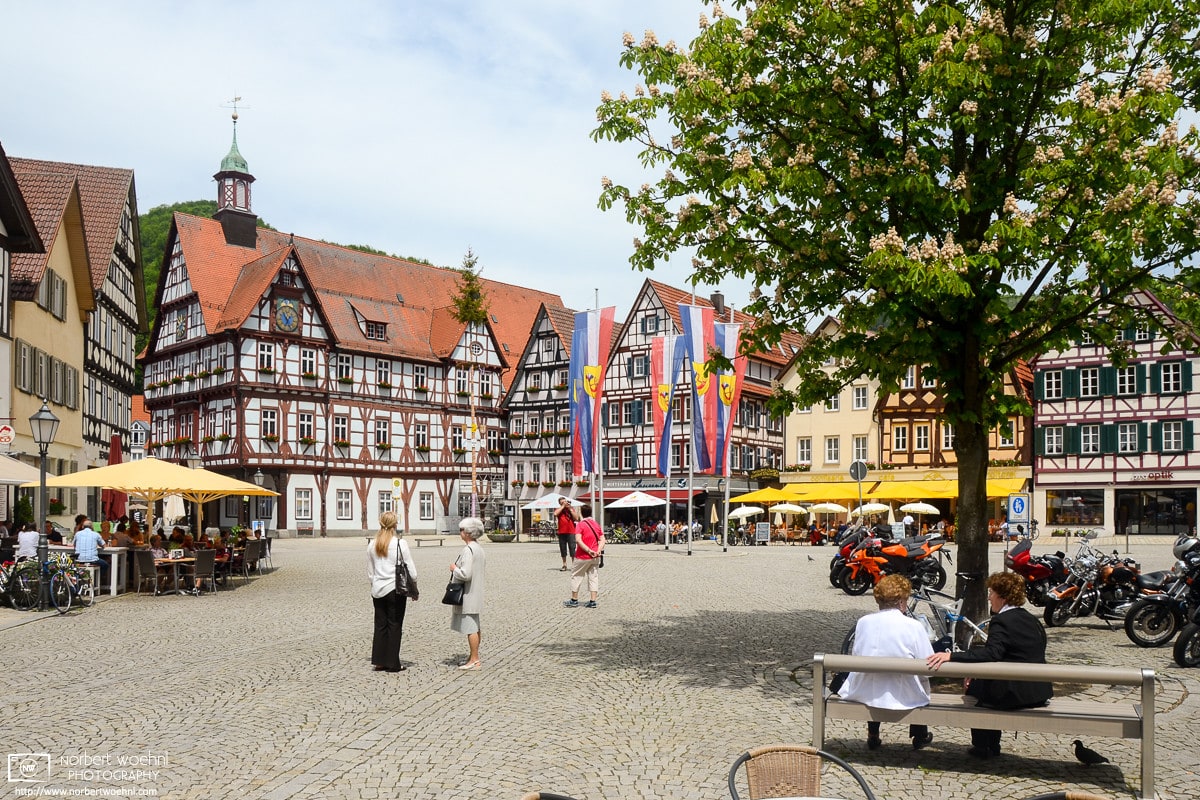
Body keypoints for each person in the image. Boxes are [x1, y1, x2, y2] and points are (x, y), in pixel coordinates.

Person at [927, 571, 1053, 759]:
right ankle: (992, 744)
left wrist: (952, 656)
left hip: (1015, 693)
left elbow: (992, 653)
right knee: (981, 684)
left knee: (973, 690)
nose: (988, 597)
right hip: (1038, 690)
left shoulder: (1002, 621)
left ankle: (983, 745)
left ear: (1002, 597)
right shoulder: (1031, 619)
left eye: (991, 593)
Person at [838, 574, 934, 750]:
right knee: (918, 681)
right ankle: (920, 735)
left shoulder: (863, 622)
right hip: (904, 694)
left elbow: (858, 654)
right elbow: (927, 665)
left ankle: (873, 733)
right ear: (902, 601)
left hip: (865, 691)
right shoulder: (913, 626)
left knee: (874, 677)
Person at [366, 511, 417, 672]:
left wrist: (375, 583)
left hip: (378, 589)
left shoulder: (372, 544)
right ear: (395, 525)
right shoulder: (400, 544)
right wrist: (414, 586)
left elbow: (370, 572)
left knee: (380, 625)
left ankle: (379, 661)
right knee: (395, 625)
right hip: (395, 589)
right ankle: (393, 662)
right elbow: (411, 570)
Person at [448, 516, 486, 670]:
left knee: (470, 627)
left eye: (462, 530)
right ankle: (473, 656)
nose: (460, 532)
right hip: (476, 591)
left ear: (468, 533)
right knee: (475, 626)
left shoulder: (468, 549)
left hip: (468, 593)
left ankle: (475, 660)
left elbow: (466, 574)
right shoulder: (479, 548)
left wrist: (454, 569)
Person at [564, 503, 604, 609]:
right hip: (595, 556)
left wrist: (588, 550)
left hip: (582, 555)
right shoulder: (596, 524)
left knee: (576, 576)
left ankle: (574, 600)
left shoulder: (581, 524)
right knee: (593, 577)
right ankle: (593, 601)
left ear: (581, 513)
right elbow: (603, 539)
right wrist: (598, 550)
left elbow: (578, 540)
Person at [554, 497, 579, 571]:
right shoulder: (559, 510)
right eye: (562, 502)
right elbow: (555, 514)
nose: (565, 503)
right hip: (562, 532)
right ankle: (564, 564)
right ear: (560, 503)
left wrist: (570, 509)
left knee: (572, 548)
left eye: (565, 502)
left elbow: (576, 518)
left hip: (571, 531)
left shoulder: (571, 509)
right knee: (563, 548)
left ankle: (574, 565)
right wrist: (562, 506)